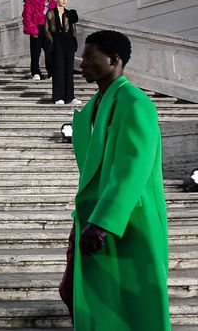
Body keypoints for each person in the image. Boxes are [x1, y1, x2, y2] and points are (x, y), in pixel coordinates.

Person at [61, 30, 169, 330]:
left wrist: (104, 222)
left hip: (128, 220)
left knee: (130, 305)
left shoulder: (135, 103)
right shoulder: (96, 105)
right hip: (92, 216)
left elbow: (133, 167)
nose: (81, 63)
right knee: (77, 293)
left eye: (90, 57)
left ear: (114, 60)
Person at [44, 0, 80, 105]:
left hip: (68, 41)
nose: (64, 0)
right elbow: (46, 30)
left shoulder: (70, 13)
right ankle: (58, 97)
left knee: (69, 69)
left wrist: (74, 42)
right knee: (58, 69)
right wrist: (52, 42)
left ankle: (71, 96)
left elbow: (73, 29)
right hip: (57, 41)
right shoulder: (50, 13)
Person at [23, 0, 56, 81]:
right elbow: (27, 14)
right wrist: (32, 29)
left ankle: (51, 72)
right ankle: (35, 72)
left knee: (50, 50)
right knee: (36, 51)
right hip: (37, 26)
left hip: (49, 28)